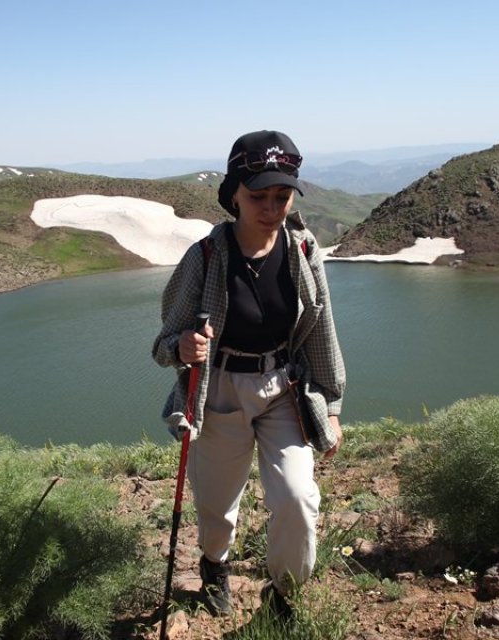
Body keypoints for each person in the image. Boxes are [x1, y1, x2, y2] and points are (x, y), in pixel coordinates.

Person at [151, 130, 347, 619]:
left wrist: (334, 404)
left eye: (281, 196)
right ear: (233, 193)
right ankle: (216, 565)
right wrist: (181, 347)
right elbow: (162, 346)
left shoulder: (303, 249)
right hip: (220, 393)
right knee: (217, 506)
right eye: (257, 196)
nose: (271, 207)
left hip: (284, 389)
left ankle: (283, 597)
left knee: (299, 499)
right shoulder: (206, 257)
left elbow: (321, 331)